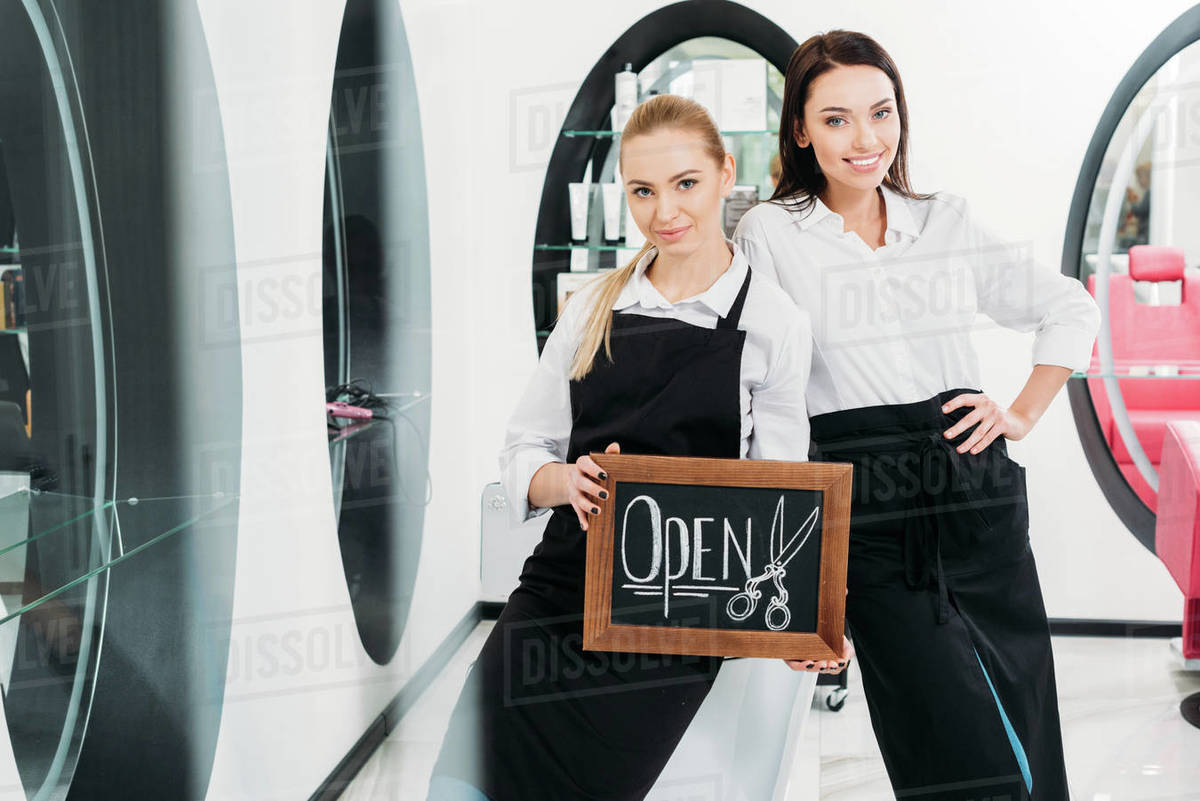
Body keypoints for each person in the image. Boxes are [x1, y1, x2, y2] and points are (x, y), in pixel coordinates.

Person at [427, 93, 832, 801]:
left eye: (685, 185)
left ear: (724, 172)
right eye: (642, 191)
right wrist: (563, 481)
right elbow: (527, 443)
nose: (664, 212)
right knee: (460, 783)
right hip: (557, 593)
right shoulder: (591, 308)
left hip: (676, 617)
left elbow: (780, 493)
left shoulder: (773, 321)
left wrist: (799, 623)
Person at [733, 31, 1100, 801]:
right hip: (867, 512)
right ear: (799, 129)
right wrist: (801, 589)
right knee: (944, 740)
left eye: (881, 113)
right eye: (835, 119)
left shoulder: (944, 222)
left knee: (1027, 721)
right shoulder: (770, 234)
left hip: (975, 496)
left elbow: (1068, 305)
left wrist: (1022, 411)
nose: (865, 139)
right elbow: (769, 409)